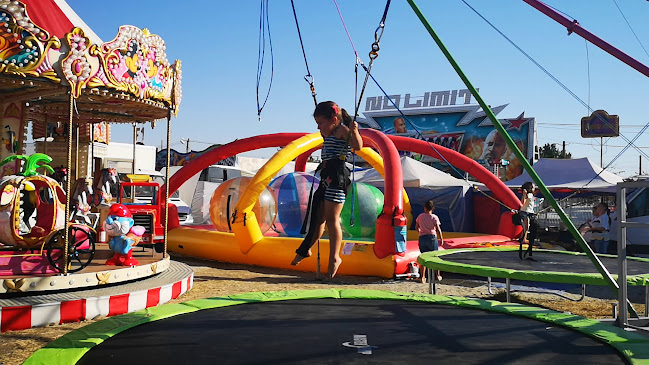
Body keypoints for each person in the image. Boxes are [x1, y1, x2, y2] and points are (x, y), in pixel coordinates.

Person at [290, 101, 363, 279]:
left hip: (338, 176)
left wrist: (354, 131)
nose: (318, 127)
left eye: (321, 123)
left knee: (332, 219)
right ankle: (305, 248)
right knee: (318, 219)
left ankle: (334, 258)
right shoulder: (328, 132)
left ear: (334, 119)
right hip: (326, 175)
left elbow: (358, 146)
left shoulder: (342, 131)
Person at [415, 200, 444, 283]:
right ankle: (437, 275)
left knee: (423, 257)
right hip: (431, 237)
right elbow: (438, 229)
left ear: (424, 208)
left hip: (422, 237)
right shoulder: (434, 217)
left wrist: (420, 231)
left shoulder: (420, 216)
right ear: (432, 208)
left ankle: (423, 277)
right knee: (434, 256)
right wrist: (441, 238)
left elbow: (416, 226)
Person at [518, 181, 538, 260]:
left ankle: (526, 239)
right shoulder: (527, 194)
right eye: (533, 187)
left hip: (530, 212)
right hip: (525, 212)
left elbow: (533, 202)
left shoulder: (531, 195)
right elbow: (523, 202)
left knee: (530, 227)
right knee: (526, 226)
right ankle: (523, 239)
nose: (534, 189)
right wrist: (524, 195)